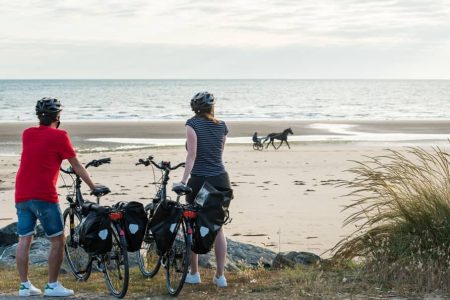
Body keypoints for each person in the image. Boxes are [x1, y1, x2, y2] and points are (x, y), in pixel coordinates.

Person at [15, 97, 105, 297]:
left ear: (39, 117)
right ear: (58, 117)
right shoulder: (60, 136)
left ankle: (24, 286)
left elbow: (39, 154)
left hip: (21, 193)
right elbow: (76, 165)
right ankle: (52, 285)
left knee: (24, 239)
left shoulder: (27, 134)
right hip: (44, 195)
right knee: (58, 240)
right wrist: (92, 185)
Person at [176, 91, 231, 288]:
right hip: (221, 180)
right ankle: (220, 276)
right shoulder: (222, 126)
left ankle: (195, 273)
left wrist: (183, 181)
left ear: (194, 108)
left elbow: (192, 155)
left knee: (192, 224)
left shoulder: (192, 124)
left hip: (200, 182)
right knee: (218, 227)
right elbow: (218, 154)